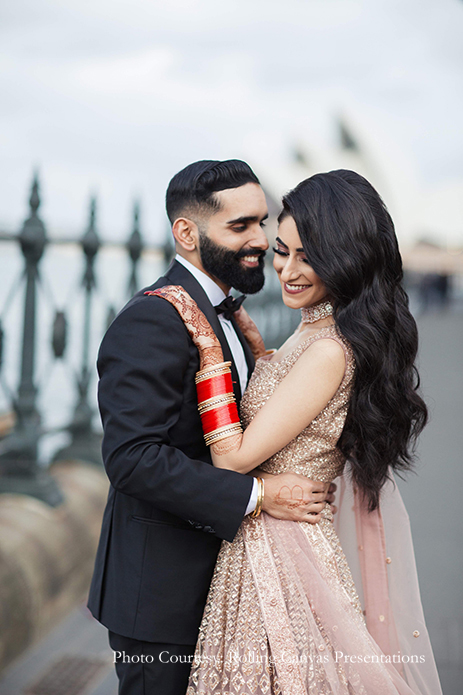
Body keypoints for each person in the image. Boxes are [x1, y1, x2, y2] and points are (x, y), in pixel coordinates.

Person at [152, 170, 443, 694]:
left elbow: (233, 460)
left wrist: (211, 355)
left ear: (346, 257)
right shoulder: (315, 330)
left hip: (281, 553)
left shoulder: (329, 347)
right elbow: (295, 411)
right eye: (282, 250)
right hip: (271, 538)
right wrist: (261, 356)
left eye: (308, 257)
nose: (286, 269)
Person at [86, 159, 335, 695]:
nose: (261, 240)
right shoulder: (152, 318)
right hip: (161, 594)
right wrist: (260, 493)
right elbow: (132, 457)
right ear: (187, 233)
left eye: (262, 222)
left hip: (227, 582)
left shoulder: (225, 315)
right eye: (239, 226)